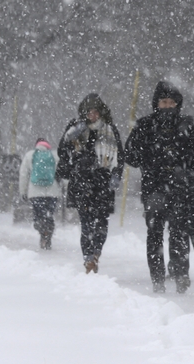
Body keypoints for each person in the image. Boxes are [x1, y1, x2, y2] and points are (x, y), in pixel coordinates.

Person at [124, 80, 194, 294]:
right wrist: (147, 157)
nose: (167, 106)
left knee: (178, 234)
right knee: (155, 235)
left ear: (177, 104)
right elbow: (130, 155)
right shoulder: (145, 126)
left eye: (171, 102)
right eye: (163, 102)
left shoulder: (188, 125)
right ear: (156, 104)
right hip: (154, 189)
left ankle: (181, 276)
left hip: (180, 190)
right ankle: (157, 278)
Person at [57, 93, 124, 274]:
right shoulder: (75, 127)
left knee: (101, 221)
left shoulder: (110, 130)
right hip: (81, 181)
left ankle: (96, 252)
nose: (92, 115)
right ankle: (88, 257)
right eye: (88, 112)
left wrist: (116, 174)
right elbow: (62, 152)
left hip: (103, 182)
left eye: (95, 112)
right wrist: (70, 137)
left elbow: (120, 156)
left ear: (101, 112)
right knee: (86, 222)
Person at [18, 138, 62, 250]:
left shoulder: (30, 155)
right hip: (52, 192)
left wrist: (23, 191)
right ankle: (48, 235)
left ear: (36, 145)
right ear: (48, 145)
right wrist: (65, 188)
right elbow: (62, 173)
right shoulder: (54, 155)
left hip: (35, 192)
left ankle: (42, 233)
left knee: (39, 215)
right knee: (49, 214)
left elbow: (23, 175)